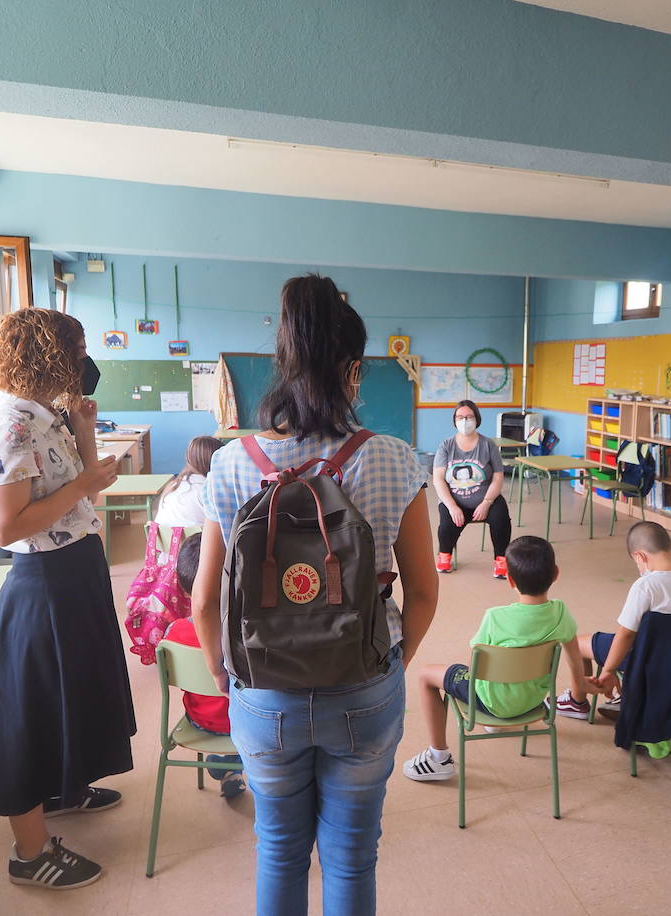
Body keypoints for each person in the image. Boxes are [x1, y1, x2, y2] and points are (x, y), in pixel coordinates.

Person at [189, 274, 438, 915]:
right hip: (363, 686)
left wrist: (228, 674)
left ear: (282, 366)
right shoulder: (394, 457)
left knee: (278, 848)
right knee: (352, 856)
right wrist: (388, 668)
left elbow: (204, 596)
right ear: (353, 370)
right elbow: (425, 591)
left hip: (263, 690)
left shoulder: (233, 460)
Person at [0, 308, 136, 891]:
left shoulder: (46, 419)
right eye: (78, 350)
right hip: (42, 582)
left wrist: (84, 429)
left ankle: (66, 789)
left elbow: (87, 486)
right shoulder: (11, 427)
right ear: (49, 355)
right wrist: (82, 486)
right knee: (33, 710)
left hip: (74, 572)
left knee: (79, 690)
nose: (85, 362)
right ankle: (29, 850)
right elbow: (4, 527)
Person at [402, 536, 584, 782]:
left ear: (509, 579)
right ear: (556, 574)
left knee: (426, 675)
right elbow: (575, 658)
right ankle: (498, 722)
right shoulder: (561, 613)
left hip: (490, 703)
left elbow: (477, 664)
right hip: (532, 702)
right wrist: (579, 692)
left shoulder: (495, 617)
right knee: (507, 668)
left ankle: (438, 758)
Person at [554, 522, 671, 758]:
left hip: (650, 663)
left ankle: (577, 701)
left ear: (640, 556)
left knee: (576, 643)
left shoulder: (646, 586)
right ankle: (622, 697)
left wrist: (607, 671)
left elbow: (626, 634)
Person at [161, 533, 244, 799]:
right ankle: (231, 766)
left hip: (200, 723)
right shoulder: (247, 634)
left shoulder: (172, 635)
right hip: (247, 725)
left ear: (185, 591)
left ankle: (223, 764)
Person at [433, 399, 511, 578]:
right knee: (446, 524)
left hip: (485, 499)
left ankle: (501, 560)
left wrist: (486, 503)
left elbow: (498, 476)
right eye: (460, 417)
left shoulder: (488, 444)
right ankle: (444, 555)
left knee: (501, 520)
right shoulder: (446, 446)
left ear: (477, 419)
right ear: (454, 420)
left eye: (469, 417)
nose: (464, 421)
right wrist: (452, 506)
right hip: (455, 500)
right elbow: (438, 479)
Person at [154, 435, 221, 529]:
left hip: (165, 543)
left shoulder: (172, 486)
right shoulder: (208, 490)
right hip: (196, 542)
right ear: (215, 461)